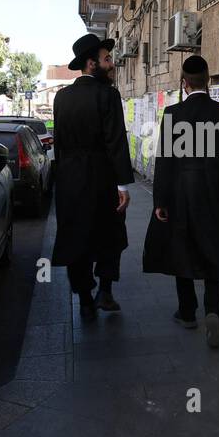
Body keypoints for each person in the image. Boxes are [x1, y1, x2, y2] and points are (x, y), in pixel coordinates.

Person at [142, 55, 219, 348]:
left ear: (184, 84)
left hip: (180, 196)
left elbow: (164, 162)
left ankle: (187, 311)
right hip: (215, 196)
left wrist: (161, 201)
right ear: (209, 81)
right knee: (214, 253)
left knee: (182, 251)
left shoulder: (173, 114)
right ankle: (213, 312)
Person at [51, 33, 133, 319]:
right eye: (106, 59)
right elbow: (116, 140)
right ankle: (105, 292)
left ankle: (85, 298)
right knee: (110, 234)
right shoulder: (108, 95)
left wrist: (61, 179)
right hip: (103, 177)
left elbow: (58, 143)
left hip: (70, 179)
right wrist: (122, 184)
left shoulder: (61, 97)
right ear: (91, 64)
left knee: (76, 236)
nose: (111, 64)